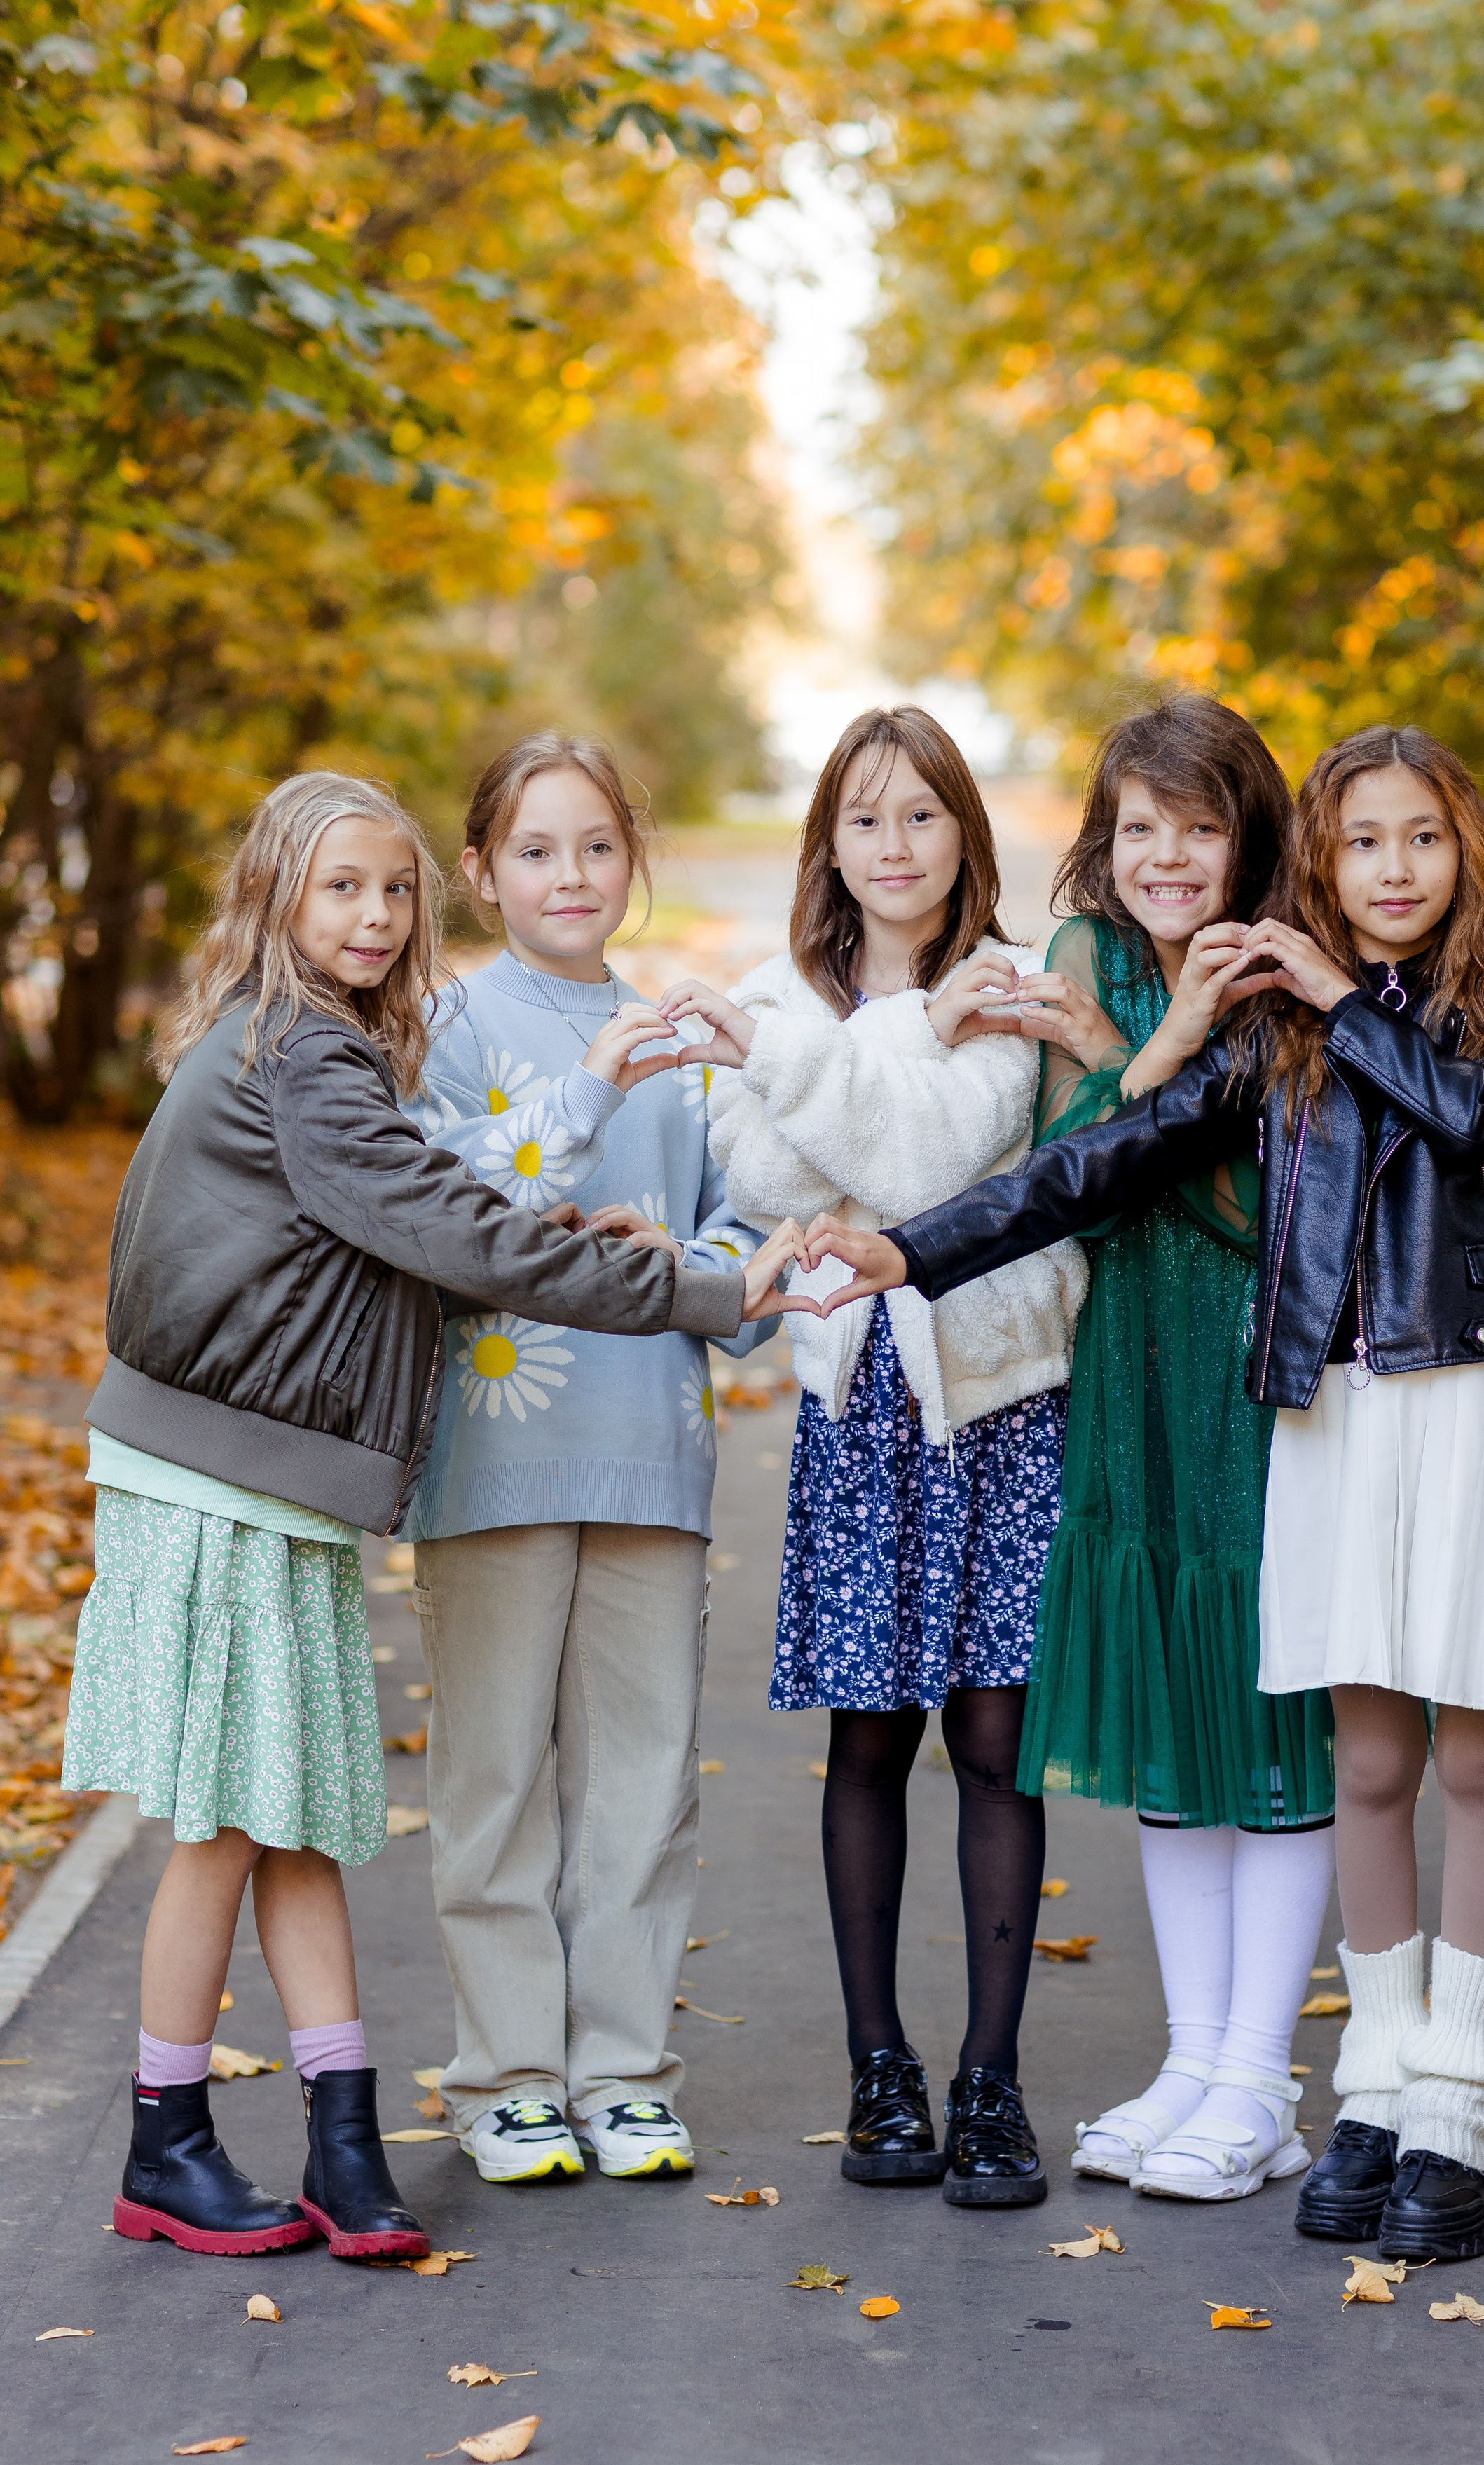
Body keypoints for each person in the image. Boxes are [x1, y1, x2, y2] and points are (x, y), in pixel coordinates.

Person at [800, 723, 1484, 2264]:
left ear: (1465, 852)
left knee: (1474, 1765)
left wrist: (1329, 995)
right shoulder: (1269, 1034)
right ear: (1323, 859)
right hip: (1342, 1422)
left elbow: (1469, 1114)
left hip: (1476, 1412)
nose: (1390, 872)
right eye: (1360, 844)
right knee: (1365, 1764)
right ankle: (1367, 2093)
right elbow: (1110, 1158)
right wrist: (915, 1249)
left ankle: (1459, 2112)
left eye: (1419, 840)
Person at [63, 769, 799, 2261]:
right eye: (342, 886)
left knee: (296, 1817)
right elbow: (458, 1231)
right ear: (275, 893)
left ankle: (343, 2135)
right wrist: (701, 1290)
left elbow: (456, 1220)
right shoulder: (306, 1061)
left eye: (393, 890)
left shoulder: (316, 1047)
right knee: (224, 1820)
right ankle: (165, 2138)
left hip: (268, 1479)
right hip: (221, 1475)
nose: (375, 915)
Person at [664, 704, 1085, 2209]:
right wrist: (816, 1057)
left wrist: (805, 1059)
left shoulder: (1007, 985)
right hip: (859, 1413)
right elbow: (758, 1171)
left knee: (991, 1741)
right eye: (863, 818)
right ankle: (877, 2072)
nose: (892, 845)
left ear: (962, 834)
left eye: (920, 816)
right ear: (826, 841)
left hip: (998, 1399)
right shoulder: (784, 992)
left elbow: (917, 1167)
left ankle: (990, 2082)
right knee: (868, 1739)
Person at [405, 731, 778, 2188]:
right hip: (492, 1458)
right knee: (494, 1781)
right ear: (480, 873)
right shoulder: (439, 1030)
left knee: (639, 1783)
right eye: (538, 851)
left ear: (635, 861)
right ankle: (504, 2076)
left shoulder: (689, 1044)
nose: (572, 876)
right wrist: (580, 1099)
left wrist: (683, 1258)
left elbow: (755, 1243)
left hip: (648, 1451)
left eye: (598, 847)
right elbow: (432, 1220)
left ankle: (622, 2073)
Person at [975, 696, 1335, 2204]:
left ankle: (1262, 2078)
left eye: (1198, 826)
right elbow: (1072, 1184)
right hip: (1128, 1376)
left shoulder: (1289, 974)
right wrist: (1154, 1035)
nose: (1166, 856)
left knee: (1269, 1718)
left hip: (1260, 1381)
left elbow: (1257, 1198)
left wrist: (1145, 1052)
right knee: (1173, 1737)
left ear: (1247, 836)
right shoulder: (1083, 955)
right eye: (1137, 828)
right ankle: (1195, 2059)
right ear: (1101, 841)